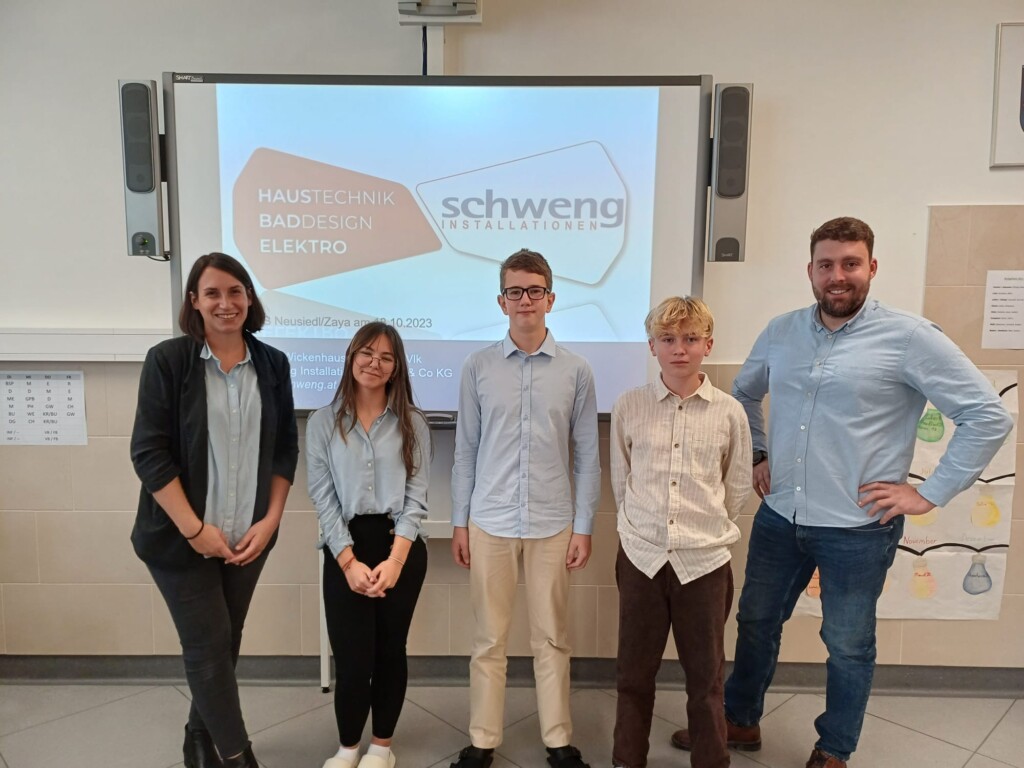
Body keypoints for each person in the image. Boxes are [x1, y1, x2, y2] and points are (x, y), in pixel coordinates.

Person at [670, 217, 1014, 767]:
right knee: (756, 622)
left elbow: (987, 416)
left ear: (871, 267)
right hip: (781, 516)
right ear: (809, 271)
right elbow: (745, 393)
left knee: (848, 644)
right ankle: (740, 718)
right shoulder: (781, 331)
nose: (837, 275)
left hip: (858, 528)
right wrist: (759, 454)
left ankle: (834, 747)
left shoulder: (910, 337)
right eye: (826, 264)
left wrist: (930, 493)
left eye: (850, 263)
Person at [130, 252, 299, 768]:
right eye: (212, 293)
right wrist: (194, 529)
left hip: (248, 536)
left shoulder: (272, 364)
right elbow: (148, 453)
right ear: (195, 302)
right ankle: (237, 755)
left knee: (225, 641)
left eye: (235, 291)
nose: (226, 303)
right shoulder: (169, 361)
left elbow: (283, 450)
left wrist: (270, 522)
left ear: (249, 297)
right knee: (207, 645)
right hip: (179, 537)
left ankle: (199, 738)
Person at [449, 249, 601, 768]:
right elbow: (466, 450)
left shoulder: (577, 370)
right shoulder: (478, 367)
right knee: (488, 640)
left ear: (550, 299)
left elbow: (587, 456)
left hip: (552, 523)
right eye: (515, 291)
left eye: (535, 290)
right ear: (502, 301)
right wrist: (460, 522)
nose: (525, 300)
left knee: (552, 638)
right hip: (489, 520)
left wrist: (584, 527)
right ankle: (482, 740)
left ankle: (558, 740)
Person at [611, 297, 752, 768]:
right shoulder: (630, 405)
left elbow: (736, 488)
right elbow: (622, 480)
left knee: (706, 679)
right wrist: (644, 530)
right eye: (668, 339)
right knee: (634, 674)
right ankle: (627, 758)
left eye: (691, 338)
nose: (680, 348)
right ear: (652, 346)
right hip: (642, 557)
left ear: (707, 345)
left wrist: (701, 528)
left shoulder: (729, 412)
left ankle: (711, 760)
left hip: (704, 562)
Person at [306, 322, 430, 768]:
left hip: (401, 547)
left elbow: (417, 498)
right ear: (351, 356)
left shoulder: (413, 422)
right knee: (352, 657)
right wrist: (348, 562)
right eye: (366, 353)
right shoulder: (323, 422)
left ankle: (381, 747)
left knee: (390, 651)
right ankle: (347, 748)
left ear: (396, 368)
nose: (374, 363)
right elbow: (322, 498)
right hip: (346, 548)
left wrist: (396, 561)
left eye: (386, 357)